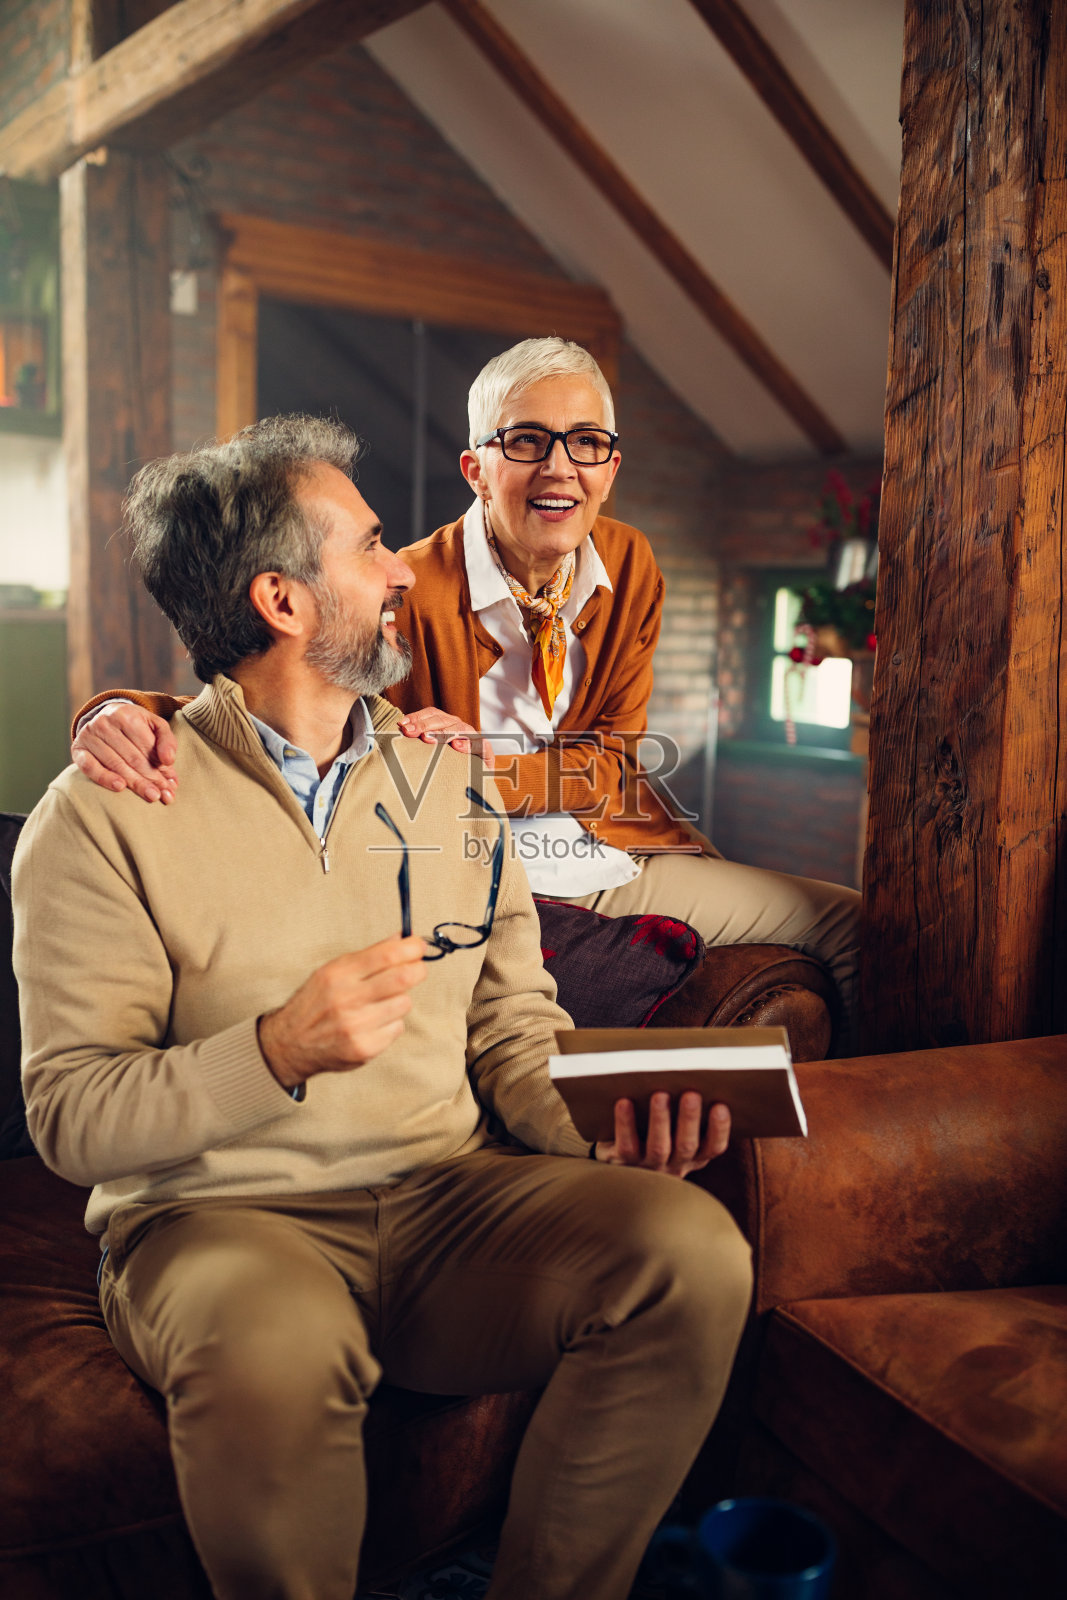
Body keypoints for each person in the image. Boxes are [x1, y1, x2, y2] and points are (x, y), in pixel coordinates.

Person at [13, 416, 752, 1600]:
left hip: (445, 1192)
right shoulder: (102, 814)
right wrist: (274, 1050)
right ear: (284, 602)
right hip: (219, 1218)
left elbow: (515, 1026)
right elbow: (71, 1116)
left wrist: (602, 1118)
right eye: (367, 546)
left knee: (687, 1253)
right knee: (272, 1345)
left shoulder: (446, 776)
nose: (403, 567)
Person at [70, 339, 861, 1050]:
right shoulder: (393, 589)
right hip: (468, 868)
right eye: (526, 441)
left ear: (611, 468)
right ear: (476, 470)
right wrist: (119, 710)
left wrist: (485, 772)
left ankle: (849, 1148)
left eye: (586, 443)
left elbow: (614, 762)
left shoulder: (632, 565)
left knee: (850, 924)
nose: (560, 468)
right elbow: (267, 690)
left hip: (602, 849)